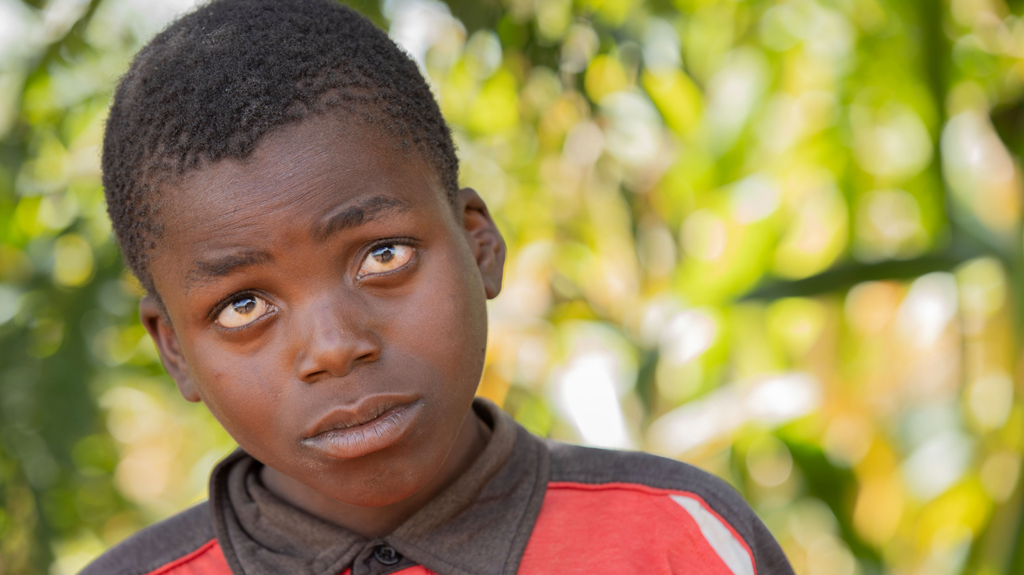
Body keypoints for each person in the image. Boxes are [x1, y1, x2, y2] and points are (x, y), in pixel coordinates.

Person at [82, 0, 795, 573]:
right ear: (175, 349)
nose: (334, 347)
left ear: (478, 243)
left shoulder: (679, 540)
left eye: (383, 255)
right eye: (244, 305)